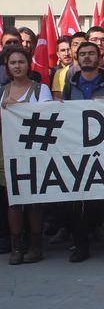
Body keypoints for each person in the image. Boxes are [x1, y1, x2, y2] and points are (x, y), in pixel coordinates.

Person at [63, 41, 104, 263]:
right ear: (76, 58)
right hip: (78, 150)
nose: (87, 57)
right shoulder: (70, 84)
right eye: (83, 54)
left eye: (92, 53)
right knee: (80, 203)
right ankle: (81, 246)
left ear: (100, 58)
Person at [1, 46, 52, 265]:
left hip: (34, 153)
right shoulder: (2, 92)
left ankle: (35, 246)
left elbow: (50, 117)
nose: (17, 66)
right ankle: (16, 248)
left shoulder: (41, 90)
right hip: (7, 151)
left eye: (21, 62)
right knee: (13, 202)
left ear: (28, 65)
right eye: (13, 63)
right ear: (8, 67)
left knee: (33, 202)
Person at [51, 31, 87, 99]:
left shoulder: (96, 69)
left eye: (68, 49)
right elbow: (57, 100)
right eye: (63, 50)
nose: (67, 53)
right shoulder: (59, 73)